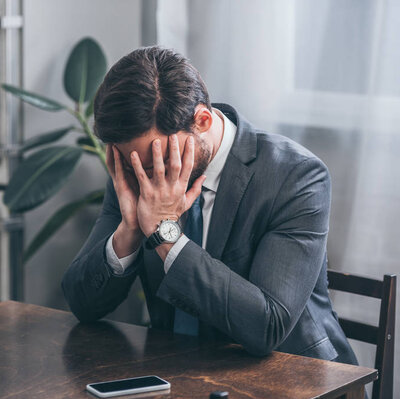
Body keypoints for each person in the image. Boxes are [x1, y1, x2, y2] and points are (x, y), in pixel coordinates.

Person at [61, 46, 358, 365]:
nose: (148, 176)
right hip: (182, 374)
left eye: (158, 162)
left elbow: (267, 326)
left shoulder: (295, 176)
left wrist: (165, 233)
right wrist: (130, 230)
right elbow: (83, 304)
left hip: (293, 376)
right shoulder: (137, 169)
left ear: (202, 120)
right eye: (138, 166)